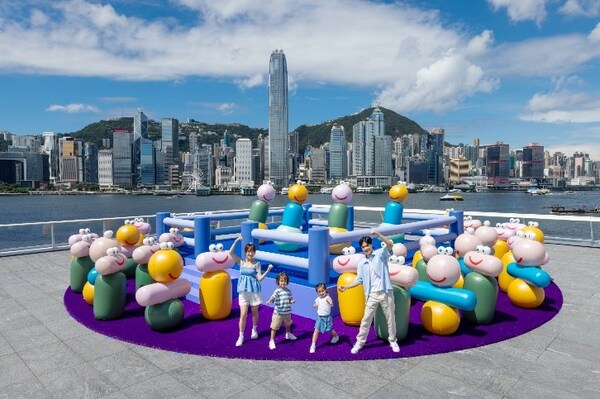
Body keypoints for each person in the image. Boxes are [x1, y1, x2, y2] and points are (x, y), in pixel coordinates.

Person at [338, 229, 400, 354]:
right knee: (366, 320)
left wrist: (378, 234)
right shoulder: (362, 263)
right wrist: (347, 287)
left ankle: (393, 341)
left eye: (368, 245)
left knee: (390, 318)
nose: (366, 248)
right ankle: (359, 342)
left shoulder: (380, 254)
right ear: (362, 248)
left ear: (372, 245)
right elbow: (359, 280)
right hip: (371, 295)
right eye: (363, 247)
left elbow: (390, 245)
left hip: (385, 292)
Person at [229, 236, 273, 347]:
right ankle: (241, 336)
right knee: (243, 315)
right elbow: (230, 252)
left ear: (254, 252)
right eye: (248, 252)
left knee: (254, 312)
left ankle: (254, 329)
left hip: (254, 291)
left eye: (252, 252)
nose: (250, 253)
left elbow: (259, 278)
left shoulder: (257, 264)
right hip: (243, 291)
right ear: (245, 252)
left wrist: (267, 270)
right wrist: (236, 240)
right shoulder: (241, 262)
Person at [266, 272, 296, 350]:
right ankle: (271, 340)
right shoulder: (277, 291)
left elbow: (291, 298)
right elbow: (273, 296)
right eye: (281, 281)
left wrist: (292, 301)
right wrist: (269, 300)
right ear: (278, 282)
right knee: (274, 327)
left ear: (287, 282)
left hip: (287, 312)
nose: (283, 282)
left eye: (285, 281)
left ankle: (288, 334)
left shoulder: (288, 291)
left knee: (288, 324)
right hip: (278, 313)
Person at [310, 283, 339, 353]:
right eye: (319, 292)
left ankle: (336, 337)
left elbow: (330, 302)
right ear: (317, 292)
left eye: (322, 291)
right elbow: (317, 304)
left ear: (326, 290)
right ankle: (313, 345)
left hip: (327, 318)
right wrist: (315, 305)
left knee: (330, 330)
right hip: (320, 317)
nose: (321, 293)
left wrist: (330, 302)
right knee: (316, 330)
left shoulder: (327, 298)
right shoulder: (318, 299)